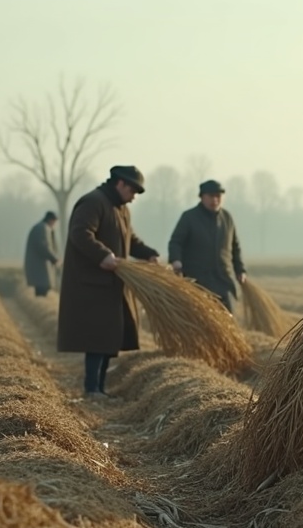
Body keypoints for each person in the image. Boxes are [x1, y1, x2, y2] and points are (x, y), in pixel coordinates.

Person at [57, 165, 160, 398]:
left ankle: (99, 388)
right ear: (120, 184)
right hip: (92, 285)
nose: (134, 198)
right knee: (97, 338)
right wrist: (103, 256)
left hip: (111, 285)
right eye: (133, 191)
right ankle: (92, 388)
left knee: (108, 338)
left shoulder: (120, 208)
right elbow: (80, 233)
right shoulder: (93, 202)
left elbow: (129, 239)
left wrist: (148, 253)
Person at [168, 179, 246, 312]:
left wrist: (240, 270)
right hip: (197, 282)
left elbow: (235, 247)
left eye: (218, 196)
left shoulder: (227, 218)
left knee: (228, 322)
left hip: (223, 281)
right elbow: (176, 242)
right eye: (211, 196)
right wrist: (176, 261)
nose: (215, 200)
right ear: (202, 197)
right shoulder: (189, 217)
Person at [24, 211, 59, 297]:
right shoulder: (43, 228)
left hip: (39, 268)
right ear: (51, 220)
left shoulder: (40, 227)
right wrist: (54, 259)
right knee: (42, 292)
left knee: (41, 291)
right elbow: (43, 247)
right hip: (41, 268)